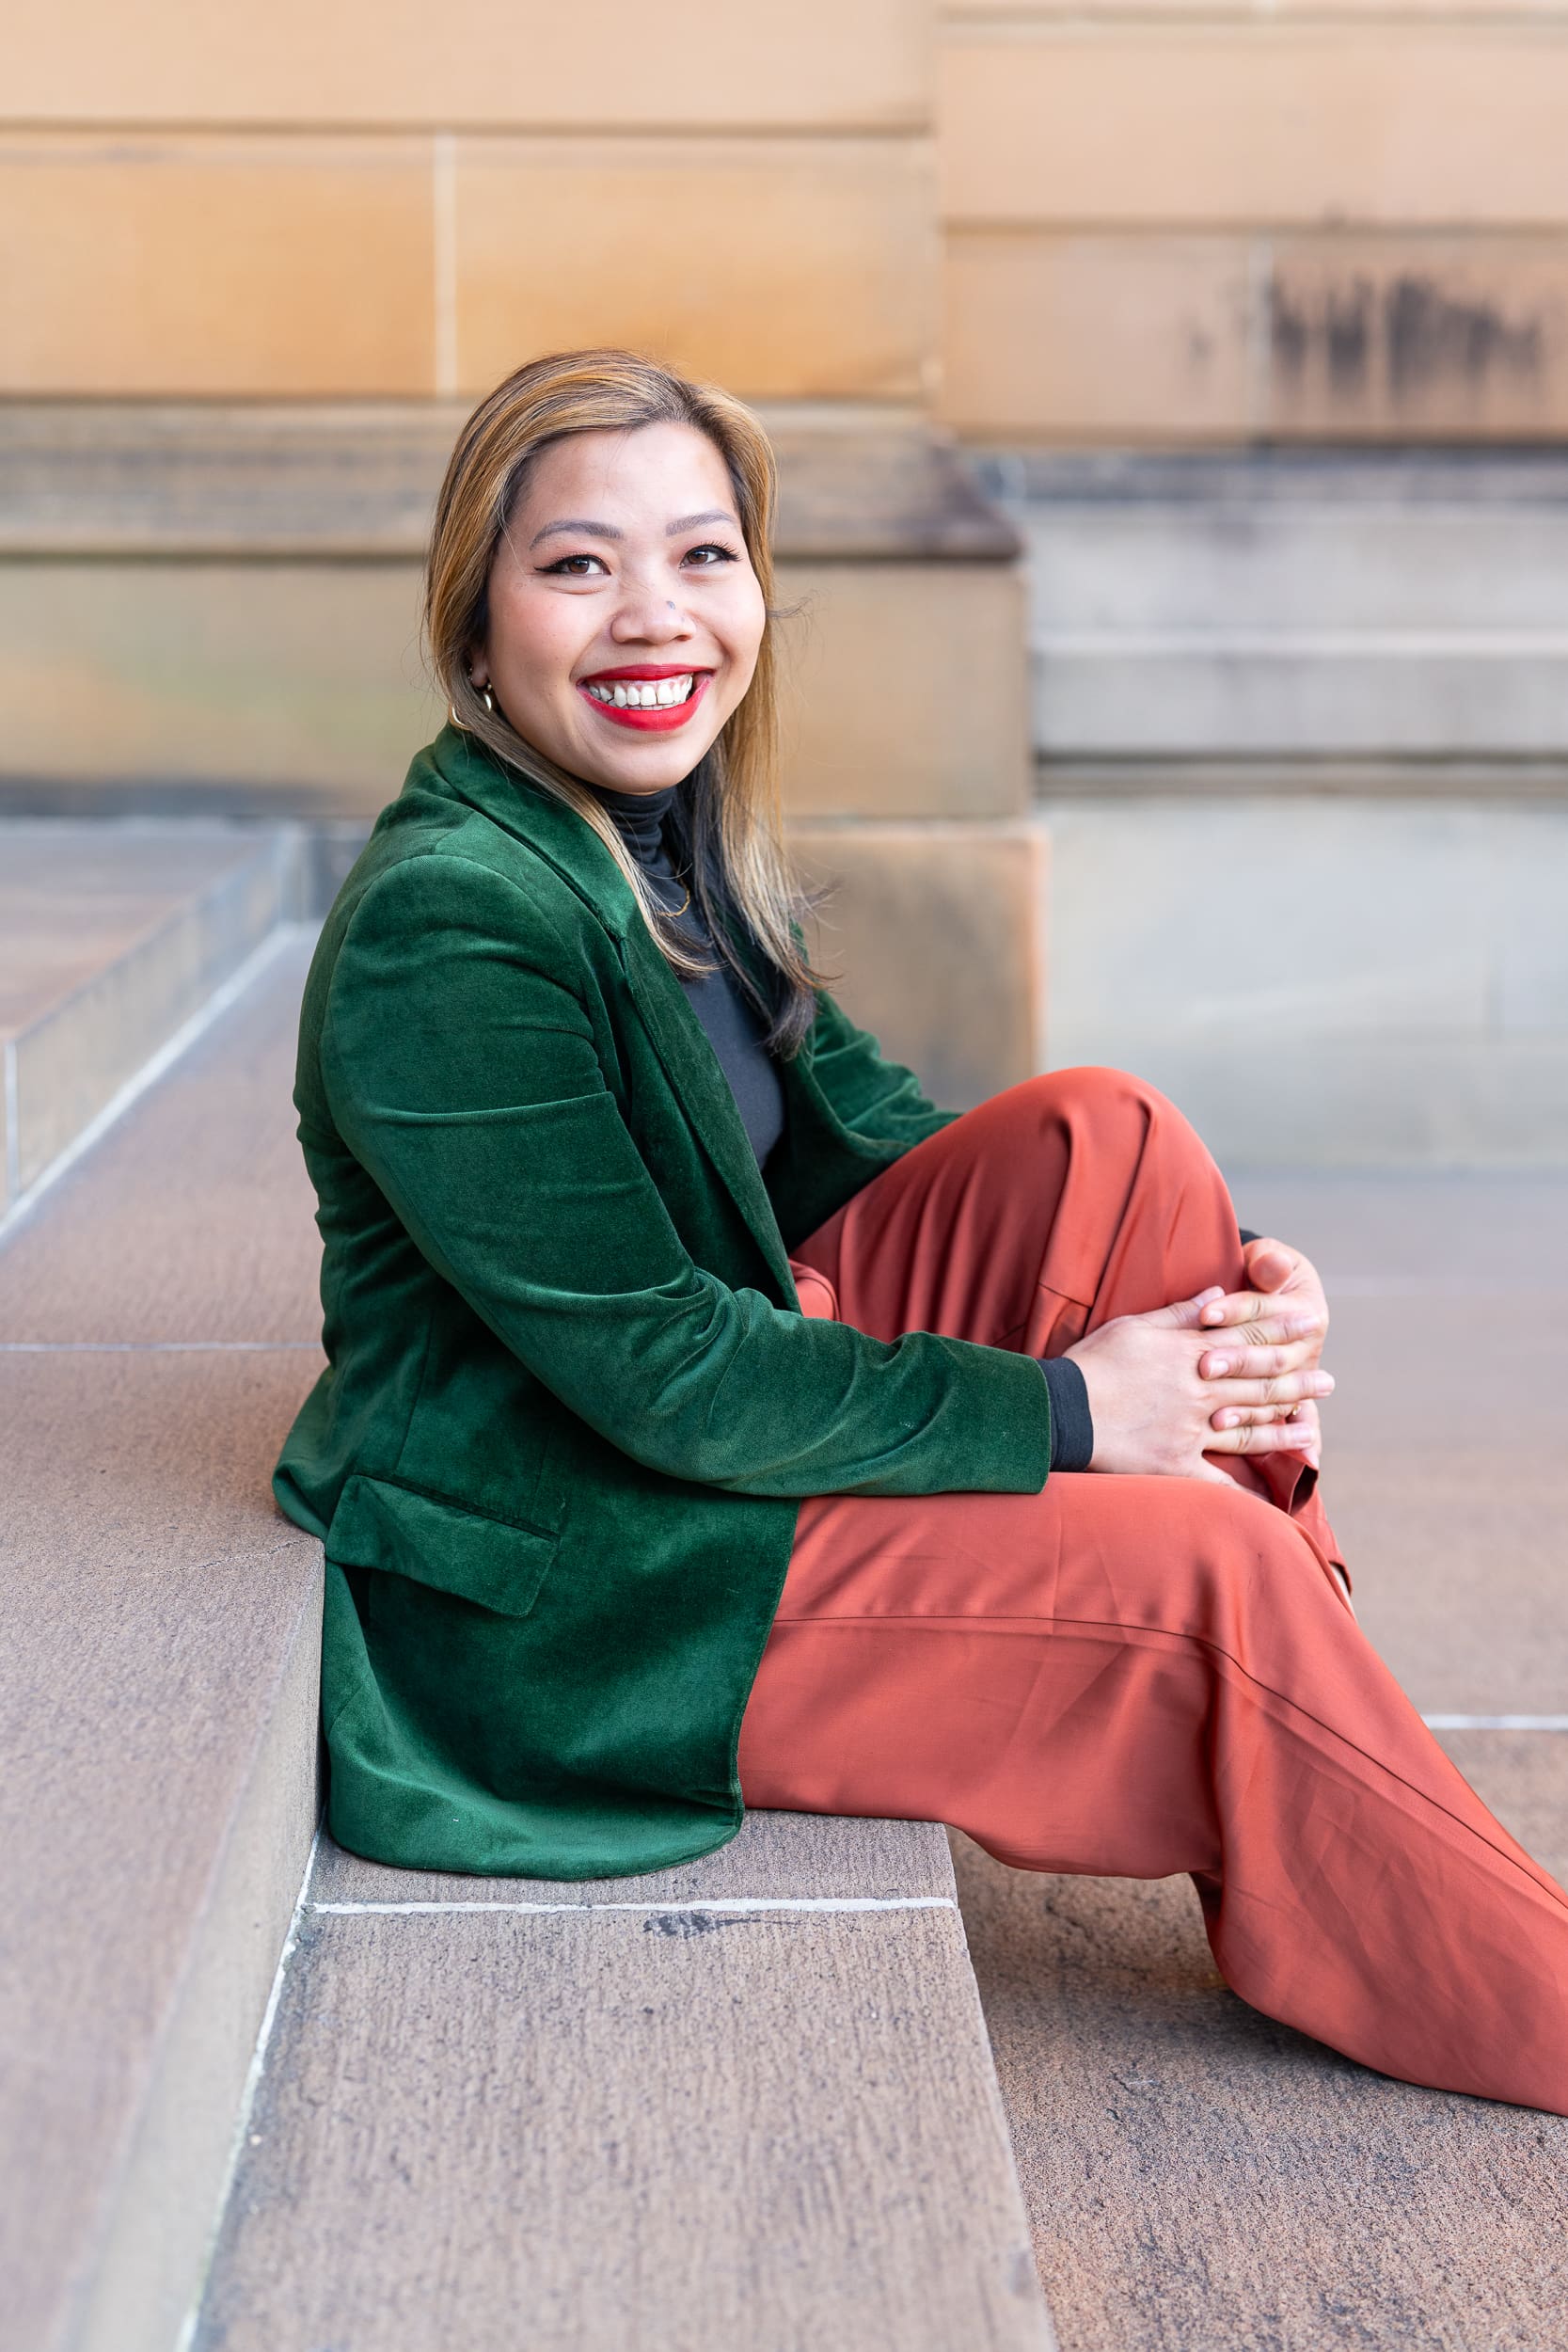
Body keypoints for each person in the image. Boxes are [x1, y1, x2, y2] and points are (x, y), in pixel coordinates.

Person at [275, 348, 1568, 2115]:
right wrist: (1081, 1419)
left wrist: (1234, 1311)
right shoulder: (455, 924)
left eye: (703, 556)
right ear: (473, 620)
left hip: (686, 1430)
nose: (655, 615)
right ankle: (1415, 1863)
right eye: (577, 564)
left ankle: (1310, 1733)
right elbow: (662, 1372)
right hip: (575, 1576)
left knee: (1111, 1137)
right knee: (1217, 1576)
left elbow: (882, 1138)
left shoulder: (660, 837)